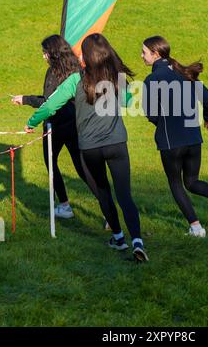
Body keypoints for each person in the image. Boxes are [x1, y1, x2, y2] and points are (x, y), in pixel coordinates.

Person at [24, 33, 148, 263]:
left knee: (103, 192)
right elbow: (128, 101)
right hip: (116, 143)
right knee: (124, 195)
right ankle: (137, 241)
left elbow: (50, 105)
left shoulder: (75, 81)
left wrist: (31, 122)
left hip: (90, 147)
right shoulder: (116, 79)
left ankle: (119, 238)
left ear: (88, 56)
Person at [141, 35, 208, 238]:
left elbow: (150, 112)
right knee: (191, 181)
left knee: (176, 184)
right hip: (194, 138)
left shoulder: (152, 79)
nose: (142, 56)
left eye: (144, 52)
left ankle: (196, 228)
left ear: (156, 54)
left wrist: (163, 123)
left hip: (171, 141)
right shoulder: (184, 73)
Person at [12, 35, 88, 219]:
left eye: (45, 53)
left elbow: (49, 102)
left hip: (56, 126)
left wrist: (25, 100)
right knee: (84, 169)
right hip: (76, 124)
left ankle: (64, 206)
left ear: (53, 53)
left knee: (52, 164)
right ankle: (107, 210)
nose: (43, 57)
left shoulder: (53, 73)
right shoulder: (78, 69)